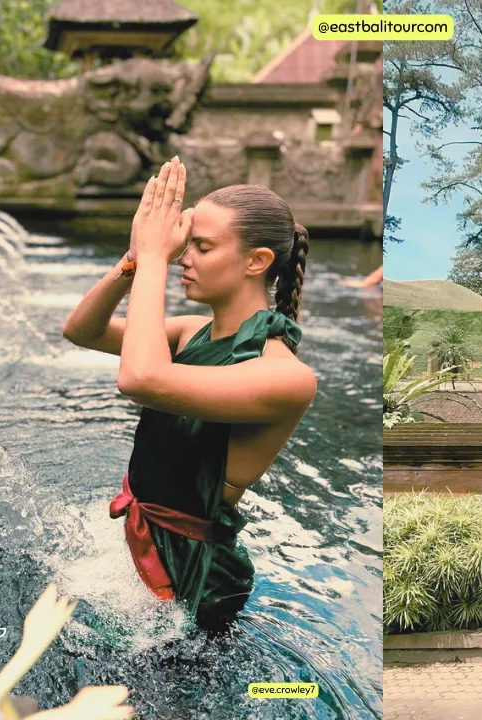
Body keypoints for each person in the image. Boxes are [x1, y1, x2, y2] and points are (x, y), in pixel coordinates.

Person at [62, 158, 318, 629]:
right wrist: (137, 257)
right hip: (143, 546)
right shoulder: (190, 332)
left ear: (256, 262)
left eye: (200, 246)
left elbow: (139, 379)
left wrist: (156, 259)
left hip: (195, 584)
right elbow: (82, 330)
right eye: (183, 245)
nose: (184, 257)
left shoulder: (285, 376)